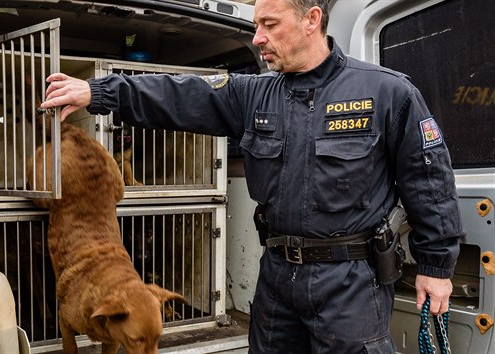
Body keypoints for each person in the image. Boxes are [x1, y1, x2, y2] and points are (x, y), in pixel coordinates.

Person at [40, 0, 463, 352]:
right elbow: (180, 93)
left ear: (311, 20)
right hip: (278, 278)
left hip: (351, 282)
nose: (258, 38)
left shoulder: (387, 92)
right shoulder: (254, 93)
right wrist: (99, 92)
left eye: (269, 24)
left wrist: (436, 266)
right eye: (256, 25)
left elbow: (428, 180)